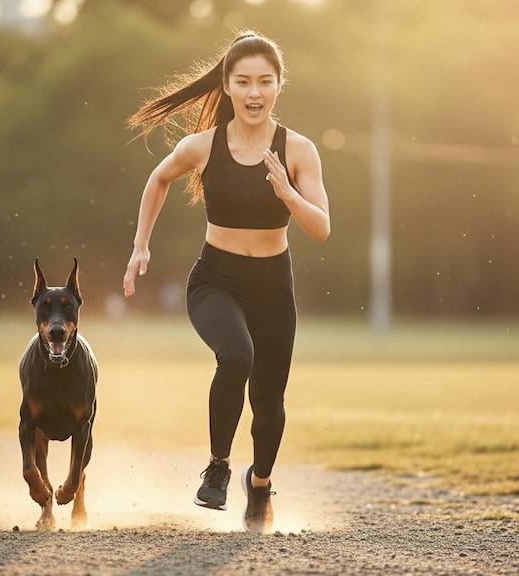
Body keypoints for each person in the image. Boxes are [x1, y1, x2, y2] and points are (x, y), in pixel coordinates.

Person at [123, 31, 331, 533]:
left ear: (278, 85)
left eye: (265, 81)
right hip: (215, 279)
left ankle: (258, 484)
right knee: (236, 356)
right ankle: (217, 467)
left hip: (272, 286)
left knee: (270, 403)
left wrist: (288, 194)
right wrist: (140, 245)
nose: (254, 92)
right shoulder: (202, 146)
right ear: (227, 85)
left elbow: (321, 228)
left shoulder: (298, 150)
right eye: (243, 82)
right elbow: (158, 179)